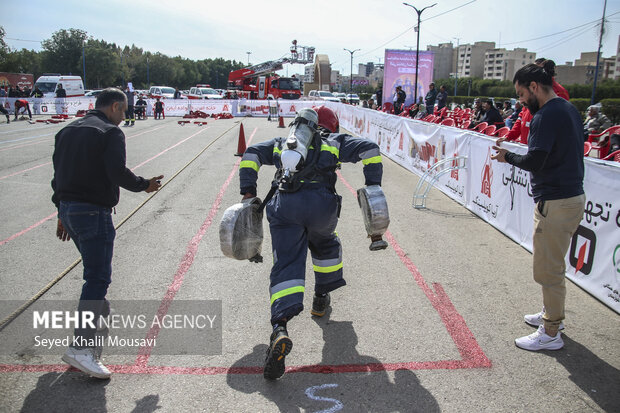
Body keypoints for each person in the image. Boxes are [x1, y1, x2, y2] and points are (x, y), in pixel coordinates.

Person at [239, 105, 383, 380]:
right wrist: (373, 185)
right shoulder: (336, 141)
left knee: (286, 264)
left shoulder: (284, 142)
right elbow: (371, 150)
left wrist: (248, 192)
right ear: (330, 126)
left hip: (285, 207)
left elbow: (251, 155)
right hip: (322, 207)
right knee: (326, 244)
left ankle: (280, 328)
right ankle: (320, 298)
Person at [51, 88, 163, 378]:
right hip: (92, 212)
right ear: (114, 106)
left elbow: (58, 176)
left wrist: (61, 212)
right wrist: (144, 185)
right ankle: (82, 348)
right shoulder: (110, 133)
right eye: (124, 111)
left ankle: (91, 335)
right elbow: (116, 172)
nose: (124, 116)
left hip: (69, 210)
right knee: (97, 279)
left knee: (95, 278)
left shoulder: (67, 130)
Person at [491, 63, 585, 351]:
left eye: (521, 94)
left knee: (548, 271)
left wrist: (507, 157)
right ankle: (551, 316)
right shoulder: (567, 108)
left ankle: (551, 330)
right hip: (568, 198)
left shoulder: (546, 115)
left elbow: (536, 160)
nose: (520, 101)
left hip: (556, 202)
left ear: (533, 87)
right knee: (551, 267)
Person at [505, 59, 570, 144]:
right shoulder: (530, 92)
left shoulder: (558, 93)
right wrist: (509, 136)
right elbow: (522, 117)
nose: (521, 101)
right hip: (526, 144)